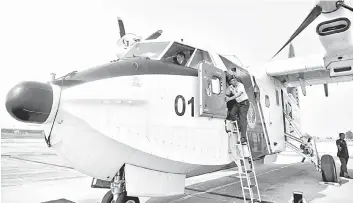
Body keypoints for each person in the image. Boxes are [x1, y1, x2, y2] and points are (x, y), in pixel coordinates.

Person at [226, 77, 249, 144]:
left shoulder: (240, 85)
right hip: (238, 103)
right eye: (232, 81)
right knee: (231, 114)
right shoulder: (231, 87)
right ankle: (239, 126)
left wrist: (229, 99)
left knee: (243, 118)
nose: (233, 82)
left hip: (244, 103)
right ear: (230, 82)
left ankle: (243, 138)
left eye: (234, 80)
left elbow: (238, 95)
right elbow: (227, 94)